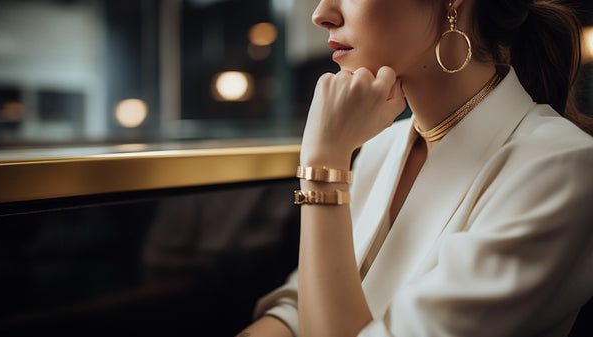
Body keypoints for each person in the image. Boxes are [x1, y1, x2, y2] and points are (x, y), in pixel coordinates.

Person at [238, 0, 593, 336]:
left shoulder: (559, 168)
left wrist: (322, 164)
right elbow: (304, 301)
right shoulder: (381, 146)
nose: (321, 14)